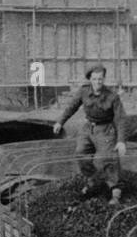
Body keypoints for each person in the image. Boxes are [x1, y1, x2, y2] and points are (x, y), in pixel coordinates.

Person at [54, 64, 128, 205]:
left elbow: (121, 119)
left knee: (108, 158)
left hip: (105, 130)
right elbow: (72, 107)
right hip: (88, 128)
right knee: (80, 153)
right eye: (94, 79)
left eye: (100, 79)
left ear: (103, 79)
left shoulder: (112, 96)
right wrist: (60, 122)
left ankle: (116, 191)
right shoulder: (83, 91)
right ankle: (93, 180)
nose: (97, 82)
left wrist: (121, 141)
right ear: (90, 79)